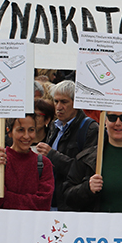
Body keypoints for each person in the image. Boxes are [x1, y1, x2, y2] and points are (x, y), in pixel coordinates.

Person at [35, 80, 98, 211]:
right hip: (51, 200)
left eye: (64, 102)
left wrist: (52, 155)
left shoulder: (90, 128)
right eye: (56, 101)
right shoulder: (55, 126)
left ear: (76, 103)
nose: (58, 107)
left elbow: (83, 171)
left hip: (71, 204)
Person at [0, 114, 54, 211]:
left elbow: (43, 204)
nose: (26, 136)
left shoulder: (44, 164)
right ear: (9, 132)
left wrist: (5, 199)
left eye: (31, 130)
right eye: (20, 130)